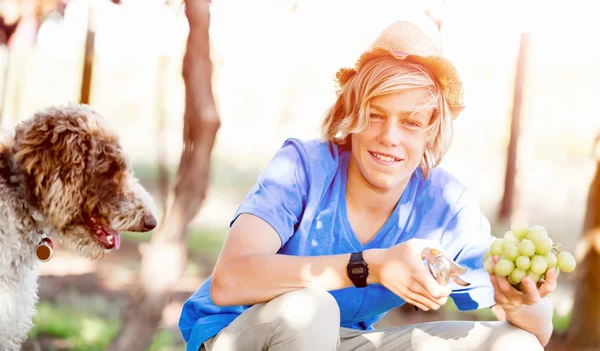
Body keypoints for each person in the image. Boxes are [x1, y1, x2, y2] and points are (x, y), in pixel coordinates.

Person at [178, 21, 555, 351]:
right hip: (240, 334)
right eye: (375, 115)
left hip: (339, 340)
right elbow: (229, 281)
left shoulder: (445, 205)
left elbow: (540, 333)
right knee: (312, 308)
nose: (389, 137)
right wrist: (371, 266)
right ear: (351, 115)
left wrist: (525, 306)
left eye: (410, 122)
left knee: (513, 344)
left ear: (432, 130)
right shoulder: (303, 168)